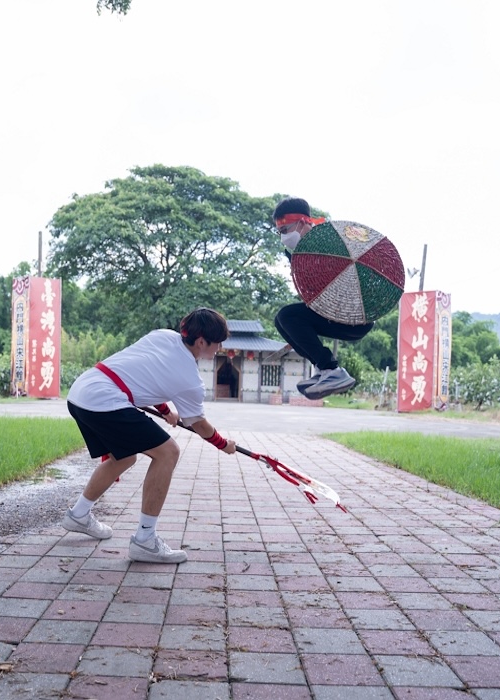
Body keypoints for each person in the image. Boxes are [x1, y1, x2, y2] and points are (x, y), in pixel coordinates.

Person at [61, 308, 238, 564]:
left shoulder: (162, 336)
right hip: (105, 400)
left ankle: (78, 514)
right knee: (168, 452)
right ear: (201, 342)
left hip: (81, 392)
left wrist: (165, 410)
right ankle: (145, 540)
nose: (219, 348)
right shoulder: (190, 377)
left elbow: (143, 375)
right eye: (217, 343)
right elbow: (198, 424)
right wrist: (224, 445)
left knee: (124, 458)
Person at [273, 196, 374, 400]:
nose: (283, 237)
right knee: (281, 320)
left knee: (288, 316)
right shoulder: (305, 254)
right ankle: (323, 369)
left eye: (285, 231)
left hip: (356, 317)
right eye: (279, 233)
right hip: (336, 314)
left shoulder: (330, 245)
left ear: (302, 222)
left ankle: (331, 370)